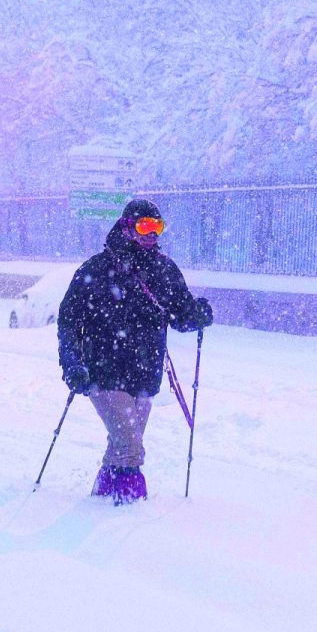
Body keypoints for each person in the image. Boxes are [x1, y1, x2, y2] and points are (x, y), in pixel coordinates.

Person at [56, 198, 213, 504]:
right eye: (145, 226)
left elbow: (180, 315)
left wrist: (198, 315)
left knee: (122, 445)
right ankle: (130, 508)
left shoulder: (165, 270)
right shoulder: (96, 270)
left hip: (145, 375)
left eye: (158, 227)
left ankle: (100, 500)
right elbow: (68, 323)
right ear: (128, 228)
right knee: (130, 448)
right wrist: (72, 363)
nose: (152, 234)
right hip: (103, 373)